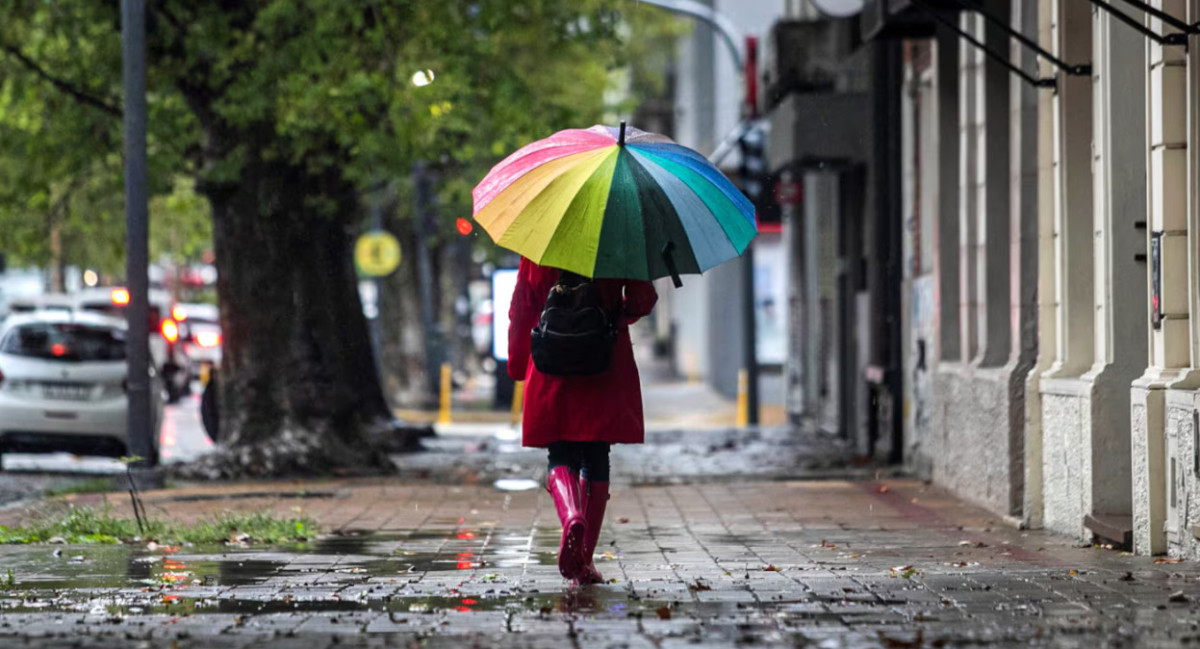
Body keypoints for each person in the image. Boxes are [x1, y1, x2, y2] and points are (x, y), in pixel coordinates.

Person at [507, 257, 658, 585]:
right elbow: (643, 300)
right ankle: (584, 560)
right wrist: (617, 315)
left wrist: (518, 362)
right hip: (602, 358)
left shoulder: (539, 245)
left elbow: (522, 306)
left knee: (559, 453)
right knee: (596, 455)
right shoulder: (617, 241)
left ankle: (571, 516)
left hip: (550, 361)